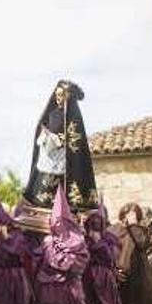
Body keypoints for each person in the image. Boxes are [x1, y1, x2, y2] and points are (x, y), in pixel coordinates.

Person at [22, 80, 97, 211]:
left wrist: (59, 140)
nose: (58, 98)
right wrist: (46, 135)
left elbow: (74, 141)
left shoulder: (74, 117)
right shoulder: (52, 114)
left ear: (68, 96)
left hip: (65, 161)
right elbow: (44, 128)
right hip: (49, 155)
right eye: (56, 95)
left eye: (61, 95)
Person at [82, 200, 127, 304]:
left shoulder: (110, 239)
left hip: (104, 279)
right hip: (87, 280)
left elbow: (111, 259)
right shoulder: (82, 238)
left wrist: (98, 242)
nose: (94, 224)